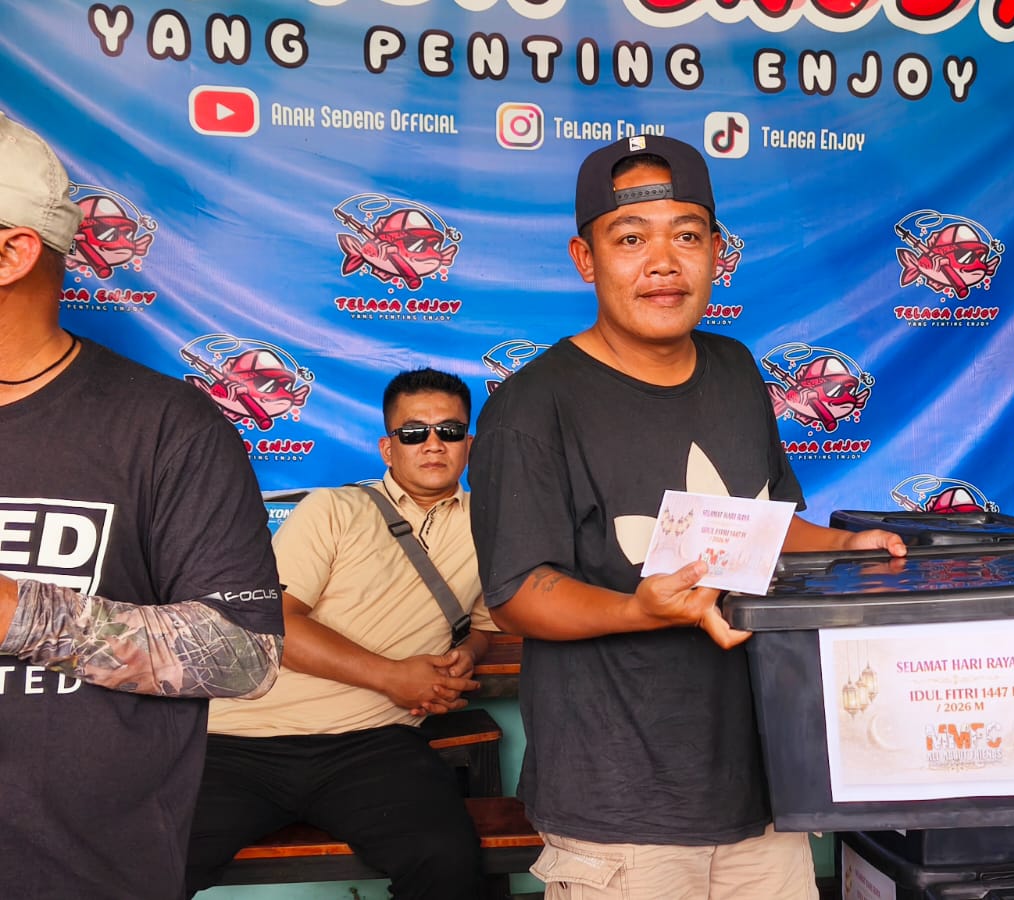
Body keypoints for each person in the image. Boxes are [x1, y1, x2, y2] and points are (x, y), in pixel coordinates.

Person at [469, 135, 907, 900]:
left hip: (761, 789)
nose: (663, 262)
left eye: (687, 236)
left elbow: (759, 522)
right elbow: (516, 593)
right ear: (585, 259)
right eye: (630, 239)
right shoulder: (531, 407)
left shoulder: (736, 369)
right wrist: (639, 610)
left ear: (716, 253)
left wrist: (846, 544)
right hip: (619, 807)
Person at [0, 112, 284, 897]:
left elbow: (245, 654)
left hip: (77, 876)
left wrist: (19, 614)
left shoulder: (165, 426)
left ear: (12, 253)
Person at [185, 368, 496, 899]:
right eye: (413, 432)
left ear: (469, 445)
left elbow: (486, 624)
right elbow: (274, 624)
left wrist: (467, 652)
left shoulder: (489, 526)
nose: (432, 444)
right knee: (140, 858)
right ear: (388, 448)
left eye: (449, 431)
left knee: (446, 861)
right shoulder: (335, 508)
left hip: (373, 744)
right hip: (242, 743)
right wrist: (393, 677)